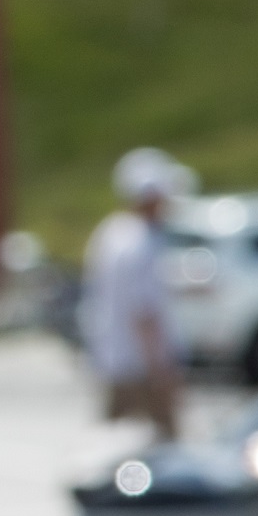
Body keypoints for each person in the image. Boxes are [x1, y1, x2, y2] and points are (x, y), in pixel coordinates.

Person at [80, 147, 190, 437]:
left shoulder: (111, 232)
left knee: (112, 446)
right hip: (142, 366)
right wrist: (161, 371)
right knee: (163, 451)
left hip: (113, 361)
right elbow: (144, 312)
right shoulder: (143, 242)